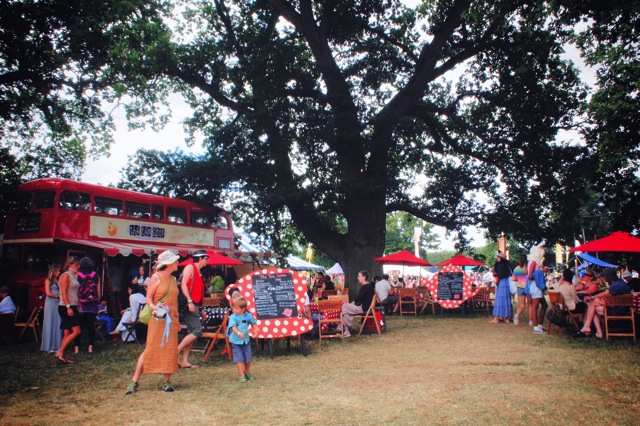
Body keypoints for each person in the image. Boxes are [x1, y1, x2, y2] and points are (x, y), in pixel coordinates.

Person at [125, 251, 180, 394]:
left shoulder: (174, 280)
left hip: (172, 318)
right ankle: (134, 381)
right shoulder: (155, 278)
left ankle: (167, 381)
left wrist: (178, 320)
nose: (178, 263)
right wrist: (152, 306)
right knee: (150, 348)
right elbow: (148, 297)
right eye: (175, 261)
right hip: (158, 318)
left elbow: (175, 302)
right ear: (168, 264)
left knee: (169, 348)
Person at [574, 268, 631, 338]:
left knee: (592, 306)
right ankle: (594, 331)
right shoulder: (620, 283)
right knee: (593, 304)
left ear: (607, 277)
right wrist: (593, 298)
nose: (603, 279)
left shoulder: (615, 286)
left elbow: (606, 295)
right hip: (623, 309)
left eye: (603, 277)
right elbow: (606, 293)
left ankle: (591, 329)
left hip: (617, 311)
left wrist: (593, 298)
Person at [178, 249, 209, 369]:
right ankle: (176, 351)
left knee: (192, 332)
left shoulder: (198, 272)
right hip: (188, 303)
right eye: (206, 258)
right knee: (197, 331)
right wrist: (190, 301)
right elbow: (183, 284)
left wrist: (201, 309)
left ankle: (185, 361)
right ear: (201, 258)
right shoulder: (190, 267)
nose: (207, 260)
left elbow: (198, 293)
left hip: (193, 304)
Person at [56, 256, 82, 364]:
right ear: (70, 264)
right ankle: (60, 351)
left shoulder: (73, 276)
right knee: (77, 331)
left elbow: (74, 292)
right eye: (76, 265)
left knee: (67, 332)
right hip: (66, 307)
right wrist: (68, 307)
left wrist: (78, 305)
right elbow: (63, 293)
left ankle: (63, 358)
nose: (78, 267)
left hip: (73, 306)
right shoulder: (66, 275)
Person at [74, 257, 101, 354]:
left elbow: (76, 290)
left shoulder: (78, 275)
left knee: (79, 326)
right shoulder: (96, 275)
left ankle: (76, 347)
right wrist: (97, 303)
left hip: (81, 303)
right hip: (92, 303)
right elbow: (98, 291)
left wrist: (78, 303)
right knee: (90, 326)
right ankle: (90, 347)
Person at [227, 297, 257, 383]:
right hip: (236, 341)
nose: (234, 310)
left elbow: (253, 323)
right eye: (234, 308)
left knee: (248, 358)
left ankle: (247, 372)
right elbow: (233, 327)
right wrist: (239, 333)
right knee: (238, 358)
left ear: (243, 308)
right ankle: (241, 375)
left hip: (246, 341)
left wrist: (256, 329)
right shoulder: (233, 317)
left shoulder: (248, 315)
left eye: (236, 308)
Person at [341, 271, 375, 338]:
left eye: (359, 276)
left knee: (344, 306)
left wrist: (352, 304)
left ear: (364, 277)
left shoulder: (365, 287)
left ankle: (344, 326)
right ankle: (347, 331)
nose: (358, 278)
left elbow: (358, 298)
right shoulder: (369, 286)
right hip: (364, 306)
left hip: (363, 308)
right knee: (346, 311)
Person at [41, 264, 63, 352]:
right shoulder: (48, 280)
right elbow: (48, 293)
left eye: (59, 271)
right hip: (50, 303)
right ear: (52, 271)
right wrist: (59, 296)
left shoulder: (59, 280)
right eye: (56, 271)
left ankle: (57, 345)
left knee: (58, 322)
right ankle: (48, 346)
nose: (58, 273)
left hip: (58, 303)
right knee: (49, 322)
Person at [527, 243, 548, 334]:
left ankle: (539, 325)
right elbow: (530, 275)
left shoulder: (532, 261)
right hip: (535, 285)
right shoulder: (533, 262)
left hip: (536, 285)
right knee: (535, 306)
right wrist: (541, 271)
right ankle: (536, 327)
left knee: (544, 305)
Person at [489, 251, 513, 324]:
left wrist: (494, 273)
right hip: (507, 283)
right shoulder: (507, 265)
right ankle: (507, 318)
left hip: (502, 283)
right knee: (506, 300)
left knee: (499, 300)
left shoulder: (500, 265)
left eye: (498, 257)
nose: (497, 258)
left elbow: (499, 275)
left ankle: (497, 317)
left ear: (501, 258)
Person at [512, 254, 528, 325]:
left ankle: (517, 315)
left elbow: (513, 279)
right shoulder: (528, 268)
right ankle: (531, 320)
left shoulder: (516, 269)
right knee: (531, 305)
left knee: (522, 305)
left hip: (520, 287)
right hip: (528, 287)